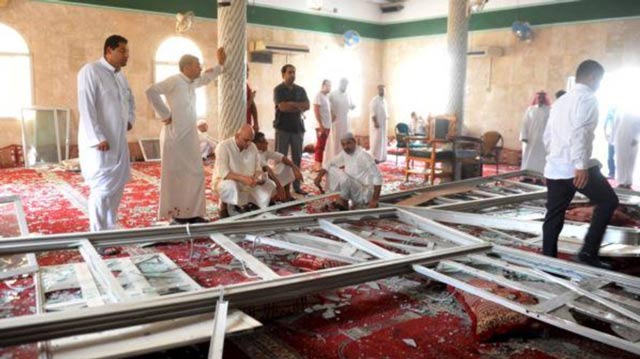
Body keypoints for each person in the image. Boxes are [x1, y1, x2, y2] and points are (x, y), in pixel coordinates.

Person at [542, 60, 619, 269]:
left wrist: (556, 157)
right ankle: (587, 252)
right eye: (600, 80)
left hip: (555, 168)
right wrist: (581, 165)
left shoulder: (560, 101)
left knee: (554, 214)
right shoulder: (588, 99)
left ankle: (547, 260)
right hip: (575, 169)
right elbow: (581, 133)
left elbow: (547, 136)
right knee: (608, 201)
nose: (599, 85)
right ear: (592, 77)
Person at [146, 48, 226, 224]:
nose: (199, 69)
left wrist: (220, 65)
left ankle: (193, 213)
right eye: (197, 66)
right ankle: (177, 214)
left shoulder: (191, 82)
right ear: (187, 67)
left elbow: (207, 77)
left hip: (189, 137)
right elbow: (151, 91)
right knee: (176, 176)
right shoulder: (174, 81)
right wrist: (165, 114)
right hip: (174, 138)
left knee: (196, 173)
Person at [77, 35, 135, 232]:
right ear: (108, 51)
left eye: (127, 51)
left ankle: (109, 232)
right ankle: (99, 235)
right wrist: (97, 137)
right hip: (100, 144)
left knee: (116, 188)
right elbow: (86, 107)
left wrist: (129, 120)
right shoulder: (91, 71)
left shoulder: (120, 76)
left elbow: (130, 100)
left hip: (118, 141)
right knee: (102, 190)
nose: (126, 55)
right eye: (122, 51)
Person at [213, 124, 276, 218]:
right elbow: (224, 173)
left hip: (249, 182)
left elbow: (257, 168)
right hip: (229, 181)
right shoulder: (223, 146)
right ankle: (229, 206)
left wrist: (260, 177)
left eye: (251, 140)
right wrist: (243, 178)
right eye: (246, 140)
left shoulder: (253, 147)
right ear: (237, 136)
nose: (249, 143)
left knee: (270, 184)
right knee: (230, 186)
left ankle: (252, 204)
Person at [314, 132, 382, 210]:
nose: (346, 147)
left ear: (354, 142)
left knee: (344, 178)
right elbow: (330, 162)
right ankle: (342, 200)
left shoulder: (364, 156)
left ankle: (343, 202)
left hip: (364, 192)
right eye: (343, 144)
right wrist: (319, 176)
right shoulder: (345, 153)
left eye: (348, 143)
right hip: (353, 188)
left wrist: (375, 200)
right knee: (331, 168)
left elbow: (378, 178)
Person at [273, 64, 309, 195]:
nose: (292, 75)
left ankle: (297, 186)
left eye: (294, 72)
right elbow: (282, 107)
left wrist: (292, 104)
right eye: (289, 72)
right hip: (282, 128)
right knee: (280, 158)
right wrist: (298, 106)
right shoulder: (278, 90)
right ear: (283, 75)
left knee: (297, 159)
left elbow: (307, 105)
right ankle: (280, 186)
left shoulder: (300, 90)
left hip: (298, 129)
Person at [253, 132, 303, 202]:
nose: (267, 143)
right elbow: (266, 169)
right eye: (264, 141)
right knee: (268, 177)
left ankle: (287, 195)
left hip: (266, 180)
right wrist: (279, 186)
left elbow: (282, 157)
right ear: (257, 144)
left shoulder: (264, 152)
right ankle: (274, 197)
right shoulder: (257, 154)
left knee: (286, 165)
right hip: (259, 184)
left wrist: (295, 168)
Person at [520, 91, 550, 173]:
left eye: (542, 98)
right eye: (539, 97)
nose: (540, 99)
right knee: (528, 156)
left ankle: (538, 177)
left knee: (540, 158)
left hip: (542, 139)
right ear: (536, 98)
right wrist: (524, 136)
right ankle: (526, 175)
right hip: (530, 137)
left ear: (544, 99)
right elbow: (524, 123)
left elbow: (550, 126)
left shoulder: (549, 110)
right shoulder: (530, 109)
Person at [326, 78, 355, 164]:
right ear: (340, 83)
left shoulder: (347, 94)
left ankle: (343, 160)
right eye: (343, 83)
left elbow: (350, 105)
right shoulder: (332, 94)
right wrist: (331, 114)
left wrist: (352, 106)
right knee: (336, 141)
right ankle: (335, 160)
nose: (344, 86)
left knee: (345, 140)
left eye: (346, 84)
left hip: (345, 121)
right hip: (336, 121)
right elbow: (326, 105)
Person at [614, 111, 640, 189]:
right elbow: (616, 125)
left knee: (631, 160)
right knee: (621, 160)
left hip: (632, 139)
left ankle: (628, 181)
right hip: (621, 138)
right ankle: (622, 181)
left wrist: (636, 138)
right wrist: (612, 139)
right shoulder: (620, 112)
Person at [313, 79, 332, 171]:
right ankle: (318, 164)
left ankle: (324, 162)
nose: (329, 88)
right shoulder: (318, 95)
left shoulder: (326, 97)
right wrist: (320, 125)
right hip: (321, 125)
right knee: (320, 145)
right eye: (328, 86)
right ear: (323, 85)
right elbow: (316, 110)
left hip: (328, 125)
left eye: (330, 86)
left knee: (326, 145)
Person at [369, 84, 388, 163]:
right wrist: (375, 122)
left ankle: (382, 157)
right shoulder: (375, 100)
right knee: (376, 141)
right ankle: (374, 157)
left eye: (383, 90)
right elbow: (372, 112)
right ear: (378, 90)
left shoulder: (384, 100)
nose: (382, 91)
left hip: (383, 125)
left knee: (382, 141)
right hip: (377, 124)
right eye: (381, 90)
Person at [603, 107, 618, 179]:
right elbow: (605, 125)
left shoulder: (620, 115)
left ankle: (620, 175)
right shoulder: (609, 114)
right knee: (610, 157)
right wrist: (605, 135)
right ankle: (611, 173)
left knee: (619, 158)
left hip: (619, 140)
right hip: (611, 139)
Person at [247, 67, 259, 132]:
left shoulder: (246, 86)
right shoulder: (234, 87)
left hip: (247, 123)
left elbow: (252, 106)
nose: (247, 73)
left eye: (248, 71)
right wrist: (251, 97)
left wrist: (256, 123)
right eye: (246, 71)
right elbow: (243, 108)